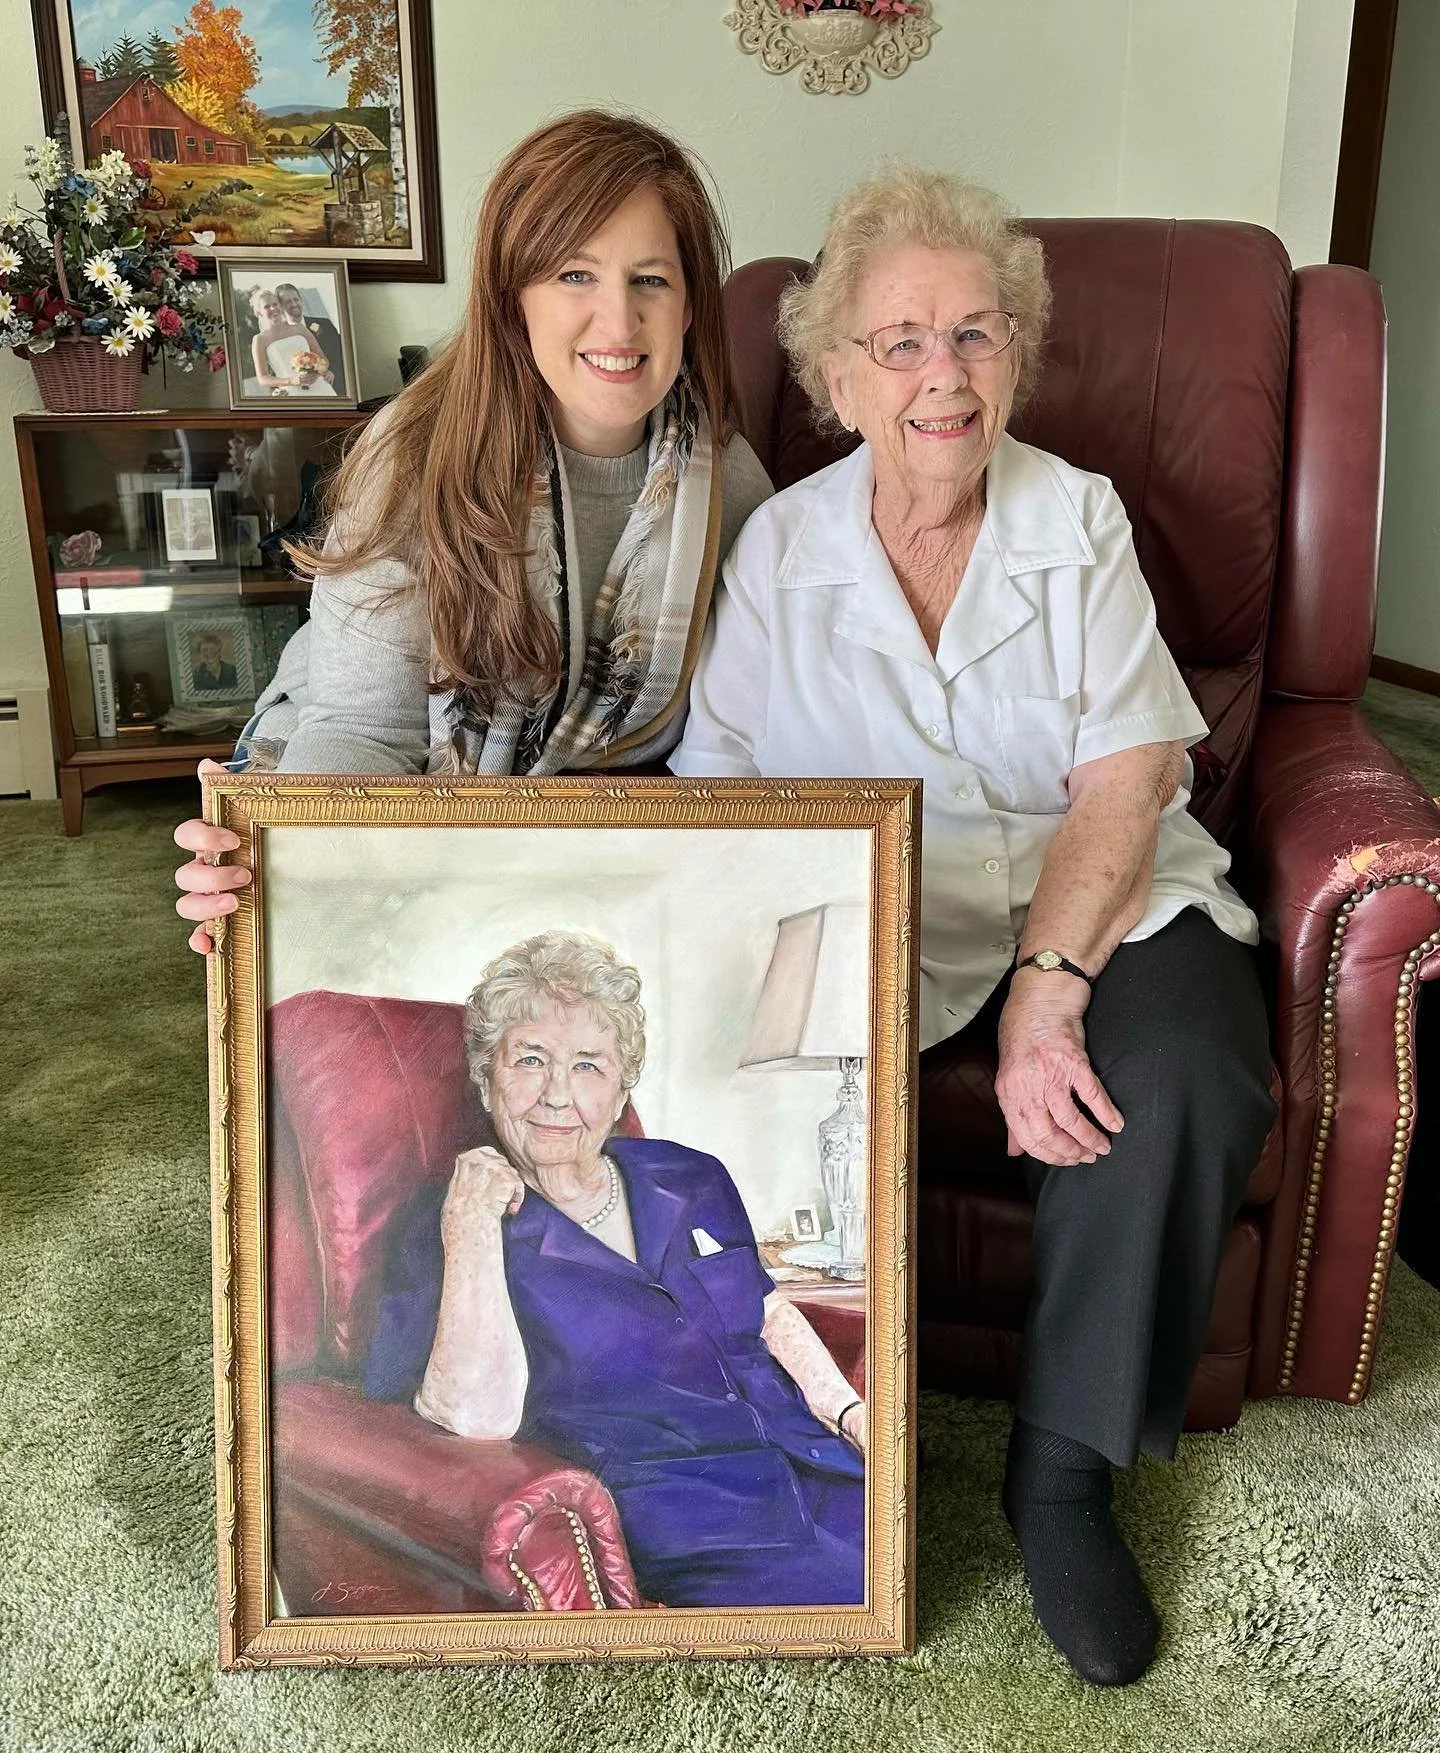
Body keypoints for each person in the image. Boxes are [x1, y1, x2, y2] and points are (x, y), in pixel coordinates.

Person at [672, 168, 1277, 1684]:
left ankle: (1060, 1473)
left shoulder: (1076, 516)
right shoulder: (779, 552)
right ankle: (803, 1434)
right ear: (837, 379)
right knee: (743, 1079)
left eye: (975, 334)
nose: (942, 374)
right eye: (900, 342)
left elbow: (1129, 774)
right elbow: (719, 789)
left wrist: (1049, 990)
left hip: (1103, 883)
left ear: (1017, 353)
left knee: (1188, 1073)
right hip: (868, 901)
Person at [175, 111, 772, 949]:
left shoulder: (731, 484)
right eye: (574, 274)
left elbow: (757, 733)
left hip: (602, 842)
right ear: (511, 295)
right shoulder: (411, 457)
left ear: (689, 306)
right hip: (396, 782)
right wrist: (285, 862)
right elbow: (364, 731)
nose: (618, 322)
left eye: (651, 280)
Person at [363, 930, 866, 1609]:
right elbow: (476, 1415)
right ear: (486, 1079)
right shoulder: (453, 1222)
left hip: (812, 1459)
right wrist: (473, 1224)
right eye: (530, 1060)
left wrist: (850, 1412)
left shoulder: (690, 1174)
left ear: (623, 1085)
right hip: (690, 1515)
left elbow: (767, 1310)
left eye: (588, 1066)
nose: (557, 1094)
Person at [248, 287, 336, 397]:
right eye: (267, 306)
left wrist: (317, 373)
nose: (273, 308)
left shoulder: (300, 328)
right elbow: (263, 378)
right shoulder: (259, 340)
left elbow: (323, 360)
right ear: (259, 312)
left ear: (280, 305)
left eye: (275, 304)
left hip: (319, 385)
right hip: (291, 392)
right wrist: (291, 381)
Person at [275, 282, 346, 397]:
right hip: (301, 394)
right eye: (288, 302)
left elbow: (343, 353)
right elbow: (277, 368)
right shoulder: (280, 338)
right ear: (280, 306)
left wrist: (333, 371)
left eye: (296, 299)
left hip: (334, 386)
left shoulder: (324, 324)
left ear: (301, 300)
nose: (294, 304)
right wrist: (278, 389)